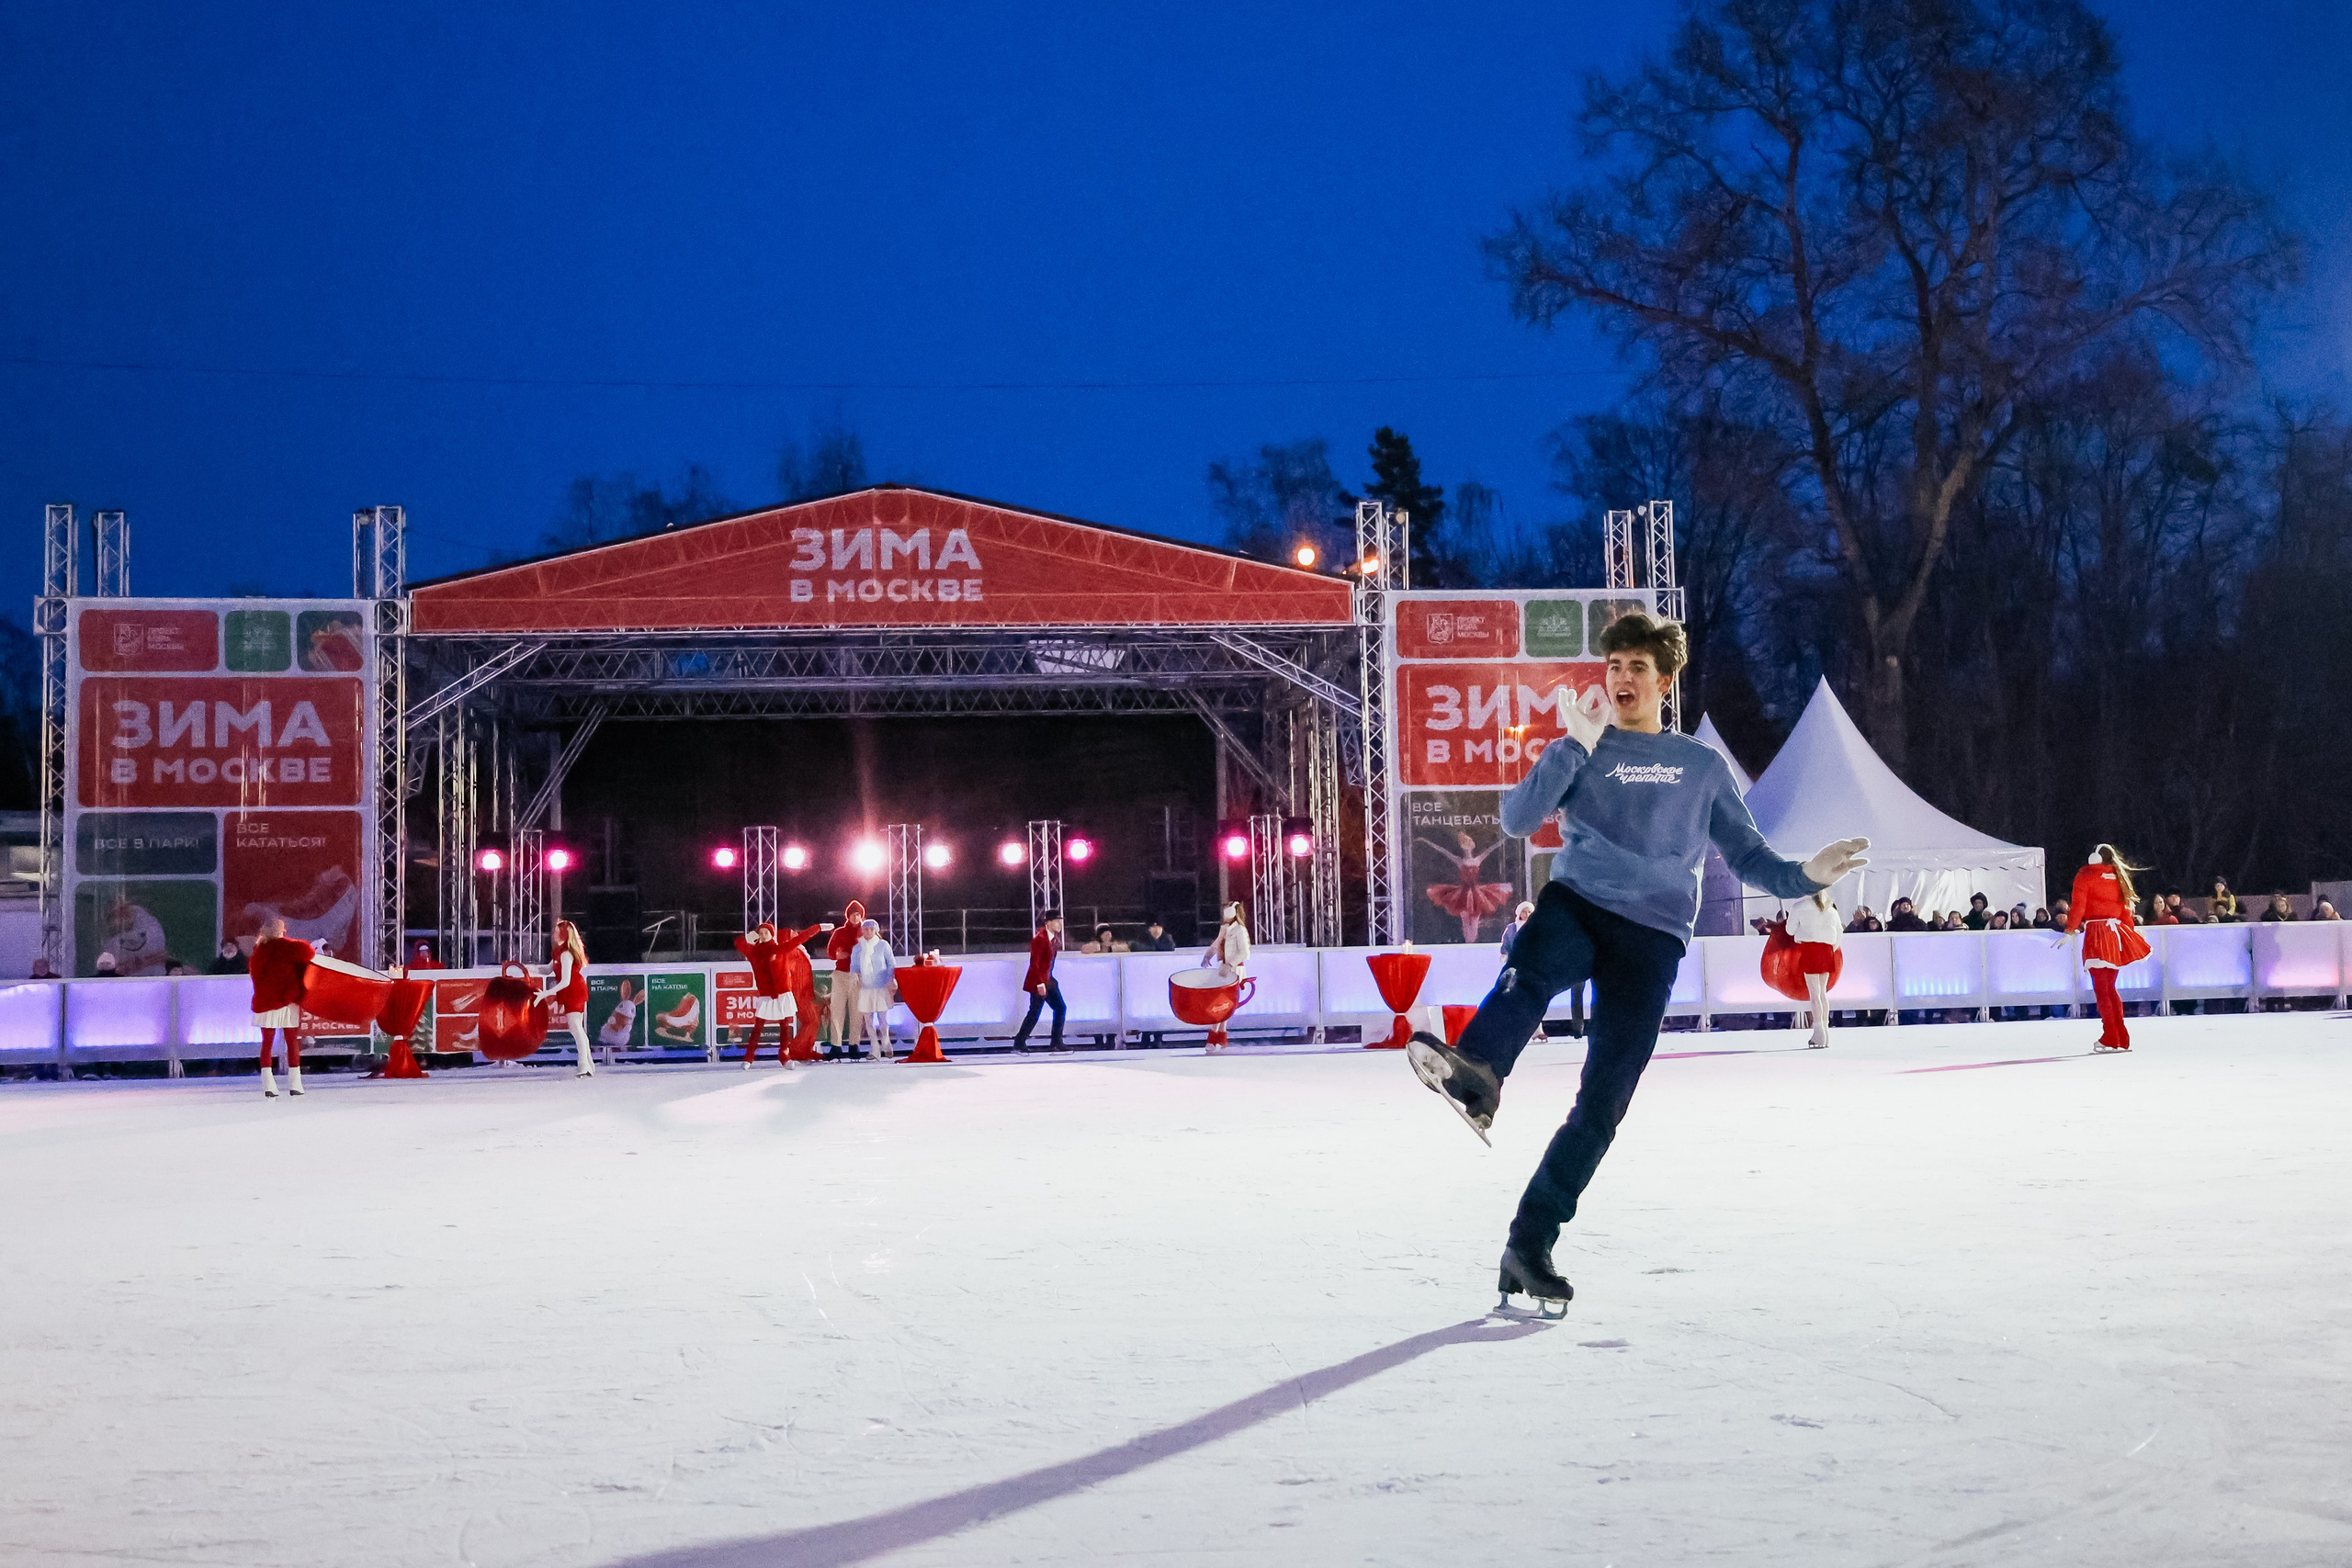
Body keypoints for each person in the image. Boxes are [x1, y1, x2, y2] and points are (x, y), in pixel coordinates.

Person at [1403, 610, 1868, 1313]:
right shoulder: (1586, 746)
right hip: (1580, 901)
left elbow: (1748, 857)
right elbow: (1516, 819)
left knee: (1603, 1103)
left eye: (1636, 668)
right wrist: (1571, 745)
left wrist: (1805, 875)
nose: (1621, 678)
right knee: (1531, 966)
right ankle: (1479, 1072)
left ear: (1664, 680)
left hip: (1651, 937)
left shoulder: (1702, 767)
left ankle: (1529, 1245)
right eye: (1613, 665)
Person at [2063, 845, 2152, 1052]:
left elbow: (2078, 906)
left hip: (2096, 934)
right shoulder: (2118, 878)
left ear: (2093, 858)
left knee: (2102, 989)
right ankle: (2120, 1036)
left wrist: (2070, 929)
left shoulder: (2086, 876)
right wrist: (2129, 933)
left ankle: (2111, 1036)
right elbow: (2125, 913)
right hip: (2114, 936)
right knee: (2110, 988)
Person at [250, 916, 313, 1098]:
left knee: (267, 1044)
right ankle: (296, 1084)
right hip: (287, 999)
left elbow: (256, 977)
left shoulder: (258, 951)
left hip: (266, 1001)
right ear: (281, 930)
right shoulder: (290, 947)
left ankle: (268, 1084)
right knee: (292, 1042)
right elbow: (308, 952)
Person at [1419, 829, 1516, 944]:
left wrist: (1507, 837)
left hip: (1475, 893)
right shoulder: (1460, 860)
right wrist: (1426, 841)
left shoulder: (1477, 859)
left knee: (1475, 918)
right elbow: (1443, 851)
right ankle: (1468, 942)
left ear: (1472, 847)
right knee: (1465, 918)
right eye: (1465, 847)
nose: (1467, 849)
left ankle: (1472, 942)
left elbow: (1492, 848)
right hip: (1464, 893)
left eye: (1468, 846)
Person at [732, 922, 797, 1069]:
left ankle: (784, 1057)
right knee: (758, 1026)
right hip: (766, 994)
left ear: (771, 934)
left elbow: (798, 940)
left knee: (785, 1025)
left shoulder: (779, 948)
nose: (763, 936)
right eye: (760, 933)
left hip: (782, 992)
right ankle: (748, 1058)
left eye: (766, 933)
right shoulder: (754, 951)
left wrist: (818, 928)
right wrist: (752, 936)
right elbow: (738, 942)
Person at [1785, 888, 1843, 1049]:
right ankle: (1824, 1029)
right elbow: (1839, 933)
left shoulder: (1799, 906)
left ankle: (1819, 1031)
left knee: (1814, 994)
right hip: (1826, 950)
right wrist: (1830, 947)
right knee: (1822, 993)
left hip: (1810, 949)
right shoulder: (1831, 909)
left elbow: (1789, 930)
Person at [536, 919, 594, 1077]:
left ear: (563, 934)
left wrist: (545, 993)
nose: (553, 933)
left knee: (575, 1027)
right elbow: (547, 970)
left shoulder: (567, 954)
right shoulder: (558, 952)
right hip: (569, 991)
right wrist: (526, 968)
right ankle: (588, 1064)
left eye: (556, 931)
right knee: (576, 1028)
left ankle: (584, 1065)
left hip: (574, 990)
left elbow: (565, 981)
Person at [1012, 911, 1067, 1053]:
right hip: (1039, 980)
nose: (1060, 924)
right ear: (1048, 922)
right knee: (1034, 1012)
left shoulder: (1054, 939)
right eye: (1056, 921)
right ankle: (1019, 1041)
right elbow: (1034, 963)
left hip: (1049, 979)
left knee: (1060, 1008)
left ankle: (1056, 1041)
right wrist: (1040, 983)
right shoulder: (1040, 939)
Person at [1202, 901, 1252, 1053]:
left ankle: (1214, 1038)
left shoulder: (1240, 930)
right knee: (1222, 1005)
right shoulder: (1224, 929)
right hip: (1223, 969)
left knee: (1221, 1005)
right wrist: (1207, 956)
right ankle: (1220, 1038)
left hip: (1234, 970)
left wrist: (1229, 964)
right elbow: (1217, 944)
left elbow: (1245, 953)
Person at [850, 919, 897, 1060]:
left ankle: (886, 1043)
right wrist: (854, 976)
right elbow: (854, 966)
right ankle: (874, 1049)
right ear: (862, 930)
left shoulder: (883, 945)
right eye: (866, 929)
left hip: (881, 987)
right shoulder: (858, 948)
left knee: (882, 1019)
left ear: (876, 931)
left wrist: (890, 979)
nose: (868, 932)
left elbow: (891, 963)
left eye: (871, 929)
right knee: (868, 1021)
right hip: (866, 988)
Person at [825, 901, 867, 1055]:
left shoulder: (866, 931)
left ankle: (854, 1045)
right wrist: (837, 955)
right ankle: (836, 1045)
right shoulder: (839, 932)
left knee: (856, 1011)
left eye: (858, 914)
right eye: (853, 914)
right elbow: (830, 952)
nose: (855, 917)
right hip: (841, 974)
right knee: (837, 1010)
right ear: (848, 916)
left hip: (859, 975)